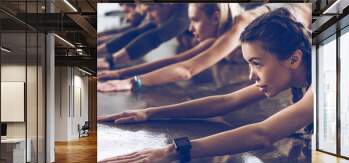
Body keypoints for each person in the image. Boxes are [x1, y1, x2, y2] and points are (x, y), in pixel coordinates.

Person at [97, 8, 313, 163]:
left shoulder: (321, 83)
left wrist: (174, 151)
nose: (250, 75)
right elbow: (226, 102)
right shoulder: (289, 71)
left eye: (257, 63)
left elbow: (262, 134)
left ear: (294, 59)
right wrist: (148, 113)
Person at [97, 3, 310, 93]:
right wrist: (117, 74)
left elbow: (187, 71)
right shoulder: (221, 32)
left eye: (195, 20)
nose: (190, 28)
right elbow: (180, 60)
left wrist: (133, 83)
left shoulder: (240, 26)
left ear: (215, 17)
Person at [97, 3, 189, 71]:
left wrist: (110, 61)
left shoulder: (182, 15)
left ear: (167, 4)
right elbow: (137, 32)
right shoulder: (170, 10)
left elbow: (153, 38)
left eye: (150, 10)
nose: (148, 17)